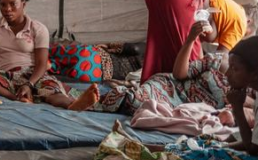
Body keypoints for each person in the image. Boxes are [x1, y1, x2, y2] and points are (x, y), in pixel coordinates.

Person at [0, 0, 99, 110]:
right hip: (7, 76)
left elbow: (41, 64)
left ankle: (73, 105)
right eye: (3, 4)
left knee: (50, 91)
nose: (7, 9)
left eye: (13, 4)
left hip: (33, 75)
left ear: (23, 3)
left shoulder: (38, 28)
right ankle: (15, 98)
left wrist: (29, 84)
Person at [97, 21, 231, 116]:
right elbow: (179, 74)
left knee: (146, 111)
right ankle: (97, 99)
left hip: (188, 110)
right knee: (137, 101)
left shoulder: (249, 94)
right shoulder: (218, 61)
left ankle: (110, 95)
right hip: (171, 89)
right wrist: (190, 39)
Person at [142, 0, 246, 82]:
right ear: (250, 21)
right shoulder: (242, 20)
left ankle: (150, 88)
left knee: (160, 51)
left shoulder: (226, 11)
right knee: (193, 73)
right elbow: (219, 60)